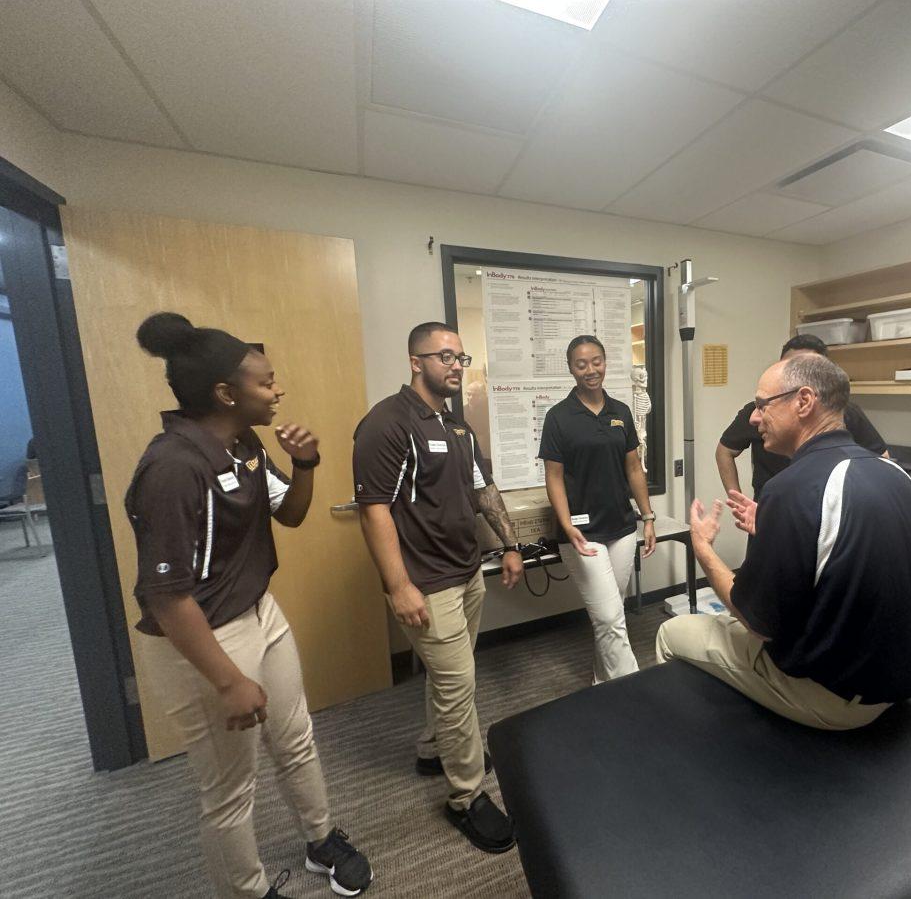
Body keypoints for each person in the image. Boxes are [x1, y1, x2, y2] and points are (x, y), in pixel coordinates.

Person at [126, 313, 372, 899]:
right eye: (267, 382)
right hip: (200, 638)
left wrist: (307, 466)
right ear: (225, 392)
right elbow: (165, 596)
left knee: (296, 738)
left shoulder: (243, 443)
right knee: (231, 789)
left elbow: (288, 513)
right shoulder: (172, 467)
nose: (277, 390)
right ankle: (247, 890)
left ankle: (320, 841)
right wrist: (229, 680)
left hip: (259, 613)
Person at [657, 354, 911, 730]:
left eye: (762, 406)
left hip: (837, 700)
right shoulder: (893, 474)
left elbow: (758, 624)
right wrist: (779, 528)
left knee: (672, 632)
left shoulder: (792, 489)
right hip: (901, 682)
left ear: (804, 402)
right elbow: (850, 562)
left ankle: (710, 751)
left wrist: (703, 549)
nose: (755, 418)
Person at [352, 321, 523, 854]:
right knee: (458, 688)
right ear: (415, 361)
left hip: (466, 573)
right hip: (425, 583)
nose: (455, 364)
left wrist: (511, 543)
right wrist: (398, 585)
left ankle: (432, 749)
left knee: (451, 679)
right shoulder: (388, 423)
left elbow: (482, 490)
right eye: (444, 356)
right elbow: (373, 509)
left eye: (460, 357)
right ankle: (466, 797)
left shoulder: (456, 427)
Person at [539, 335, 656, 683]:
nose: (591, 370)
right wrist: (565, 523)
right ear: (571, 369)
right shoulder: (558, 417)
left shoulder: (620, 411)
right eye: (581, 364)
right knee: (608, 617)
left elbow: (634, 468)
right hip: (581, 533)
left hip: (621, 527)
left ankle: (601, 683)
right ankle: (631, 690)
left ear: (605, 363)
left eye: (597, 362)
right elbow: (554, 477)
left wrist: (647, 517)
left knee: (611, 614)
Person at [716, 334, 888, 503]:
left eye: (807, 368)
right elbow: (724, 451)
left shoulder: (847, 413)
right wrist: (737, 501)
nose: (756, 418)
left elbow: (881, 458)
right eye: (791, 366)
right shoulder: (758, 414)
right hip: (768, 509)